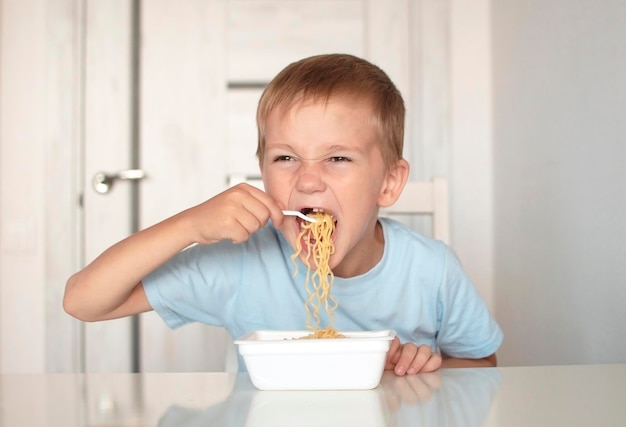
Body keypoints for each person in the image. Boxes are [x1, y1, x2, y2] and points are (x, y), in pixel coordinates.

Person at [64, 53, 502, 375]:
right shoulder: (241, 262)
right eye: (285, 158)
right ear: (262, 171)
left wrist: (431, 369)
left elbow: (483, 362)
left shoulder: (431, 269)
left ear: (388, 182)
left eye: (338, 159)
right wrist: (189, 225)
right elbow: (83, 301)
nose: (308, 181)